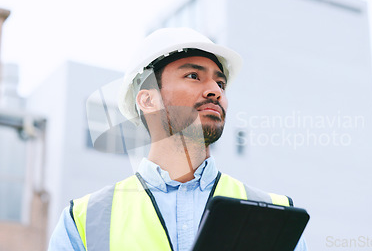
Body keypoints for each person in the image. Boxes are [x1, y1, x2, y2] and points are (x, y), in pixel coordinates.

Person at [48, 27, 308, 251]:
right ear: (148, 100)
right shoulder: (84, 220)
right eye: (193, 76)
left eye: (221, 84)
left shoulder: (276, 213)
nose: (215, 91)